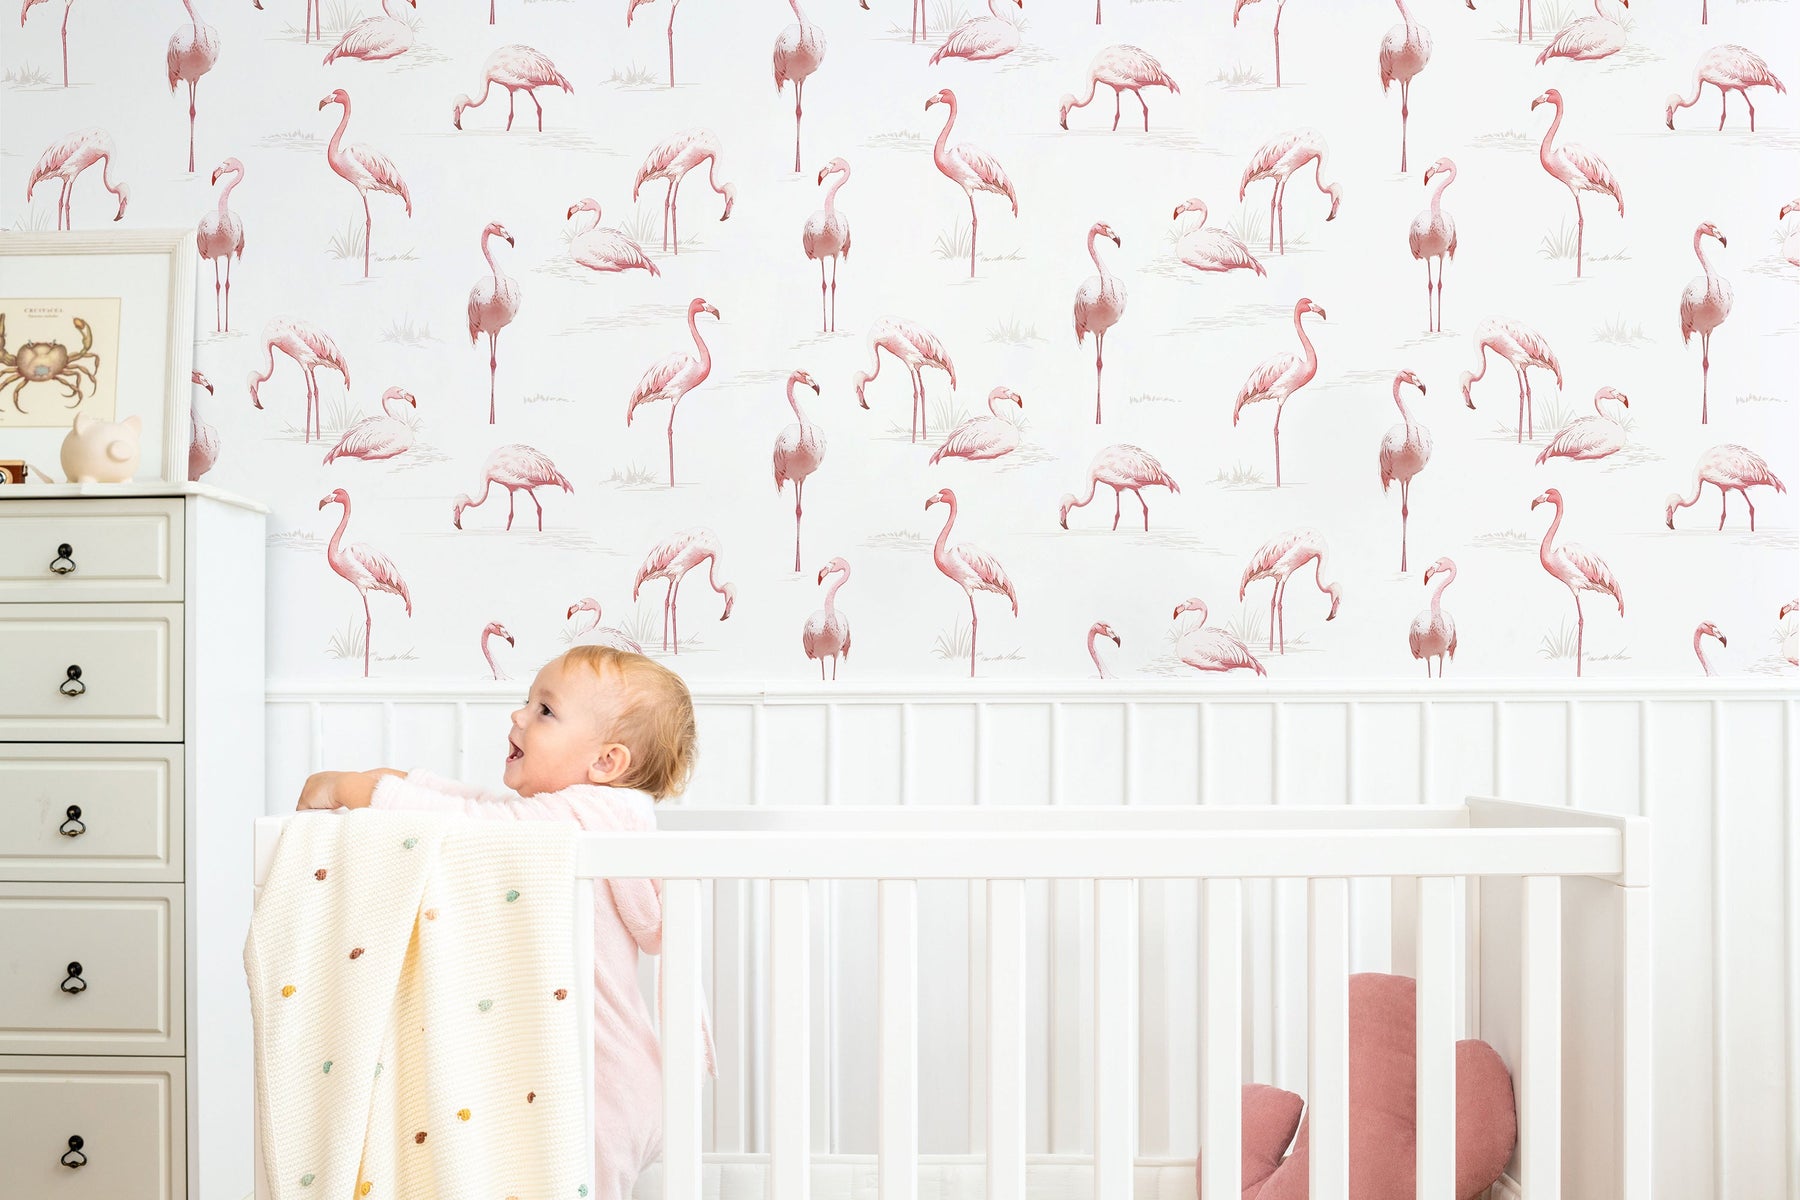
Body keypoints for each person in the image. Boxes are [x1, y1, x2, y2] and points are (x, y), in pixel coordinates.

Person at [297, 644, 713, 1200]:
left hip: (598, 1087)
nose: (519, 715)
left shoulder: (586, 815)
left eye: (546, 710)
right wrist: (397, 778)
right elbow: (482, 805)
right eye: (528, 701)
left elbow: (474, 821)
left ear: (606, 763)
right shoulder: (592, 816)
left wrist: (353, 790)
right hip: (618, 1075)